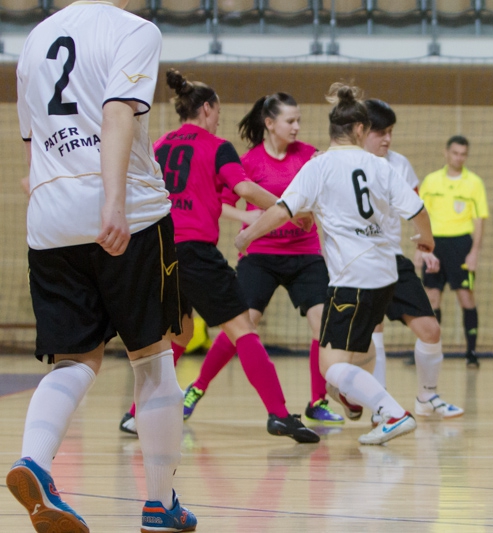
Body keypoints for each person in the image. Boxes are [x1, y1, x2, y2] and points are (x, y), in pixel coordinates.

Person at [8, 2, 197, 531]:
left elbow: (33, 145)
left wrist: (50, 205)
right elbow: (118, 111)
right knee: (153, 357)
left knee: (73, 360)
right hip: (126, 211)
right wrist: (111, 201)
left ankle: (35, 464)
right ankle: (161, 504)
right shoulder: (133, 28)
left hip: (48, 218)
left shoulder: (35, 38)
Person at [123, 69, 319, 444]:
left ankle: (135, 415)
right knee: (243, 330)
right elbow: (244, 186)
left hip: (158, 249)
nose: (219, 118)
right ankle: (279, 415)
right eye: (218, 112)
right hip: (196, 251)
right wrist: (289, 208)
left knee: (179, 333)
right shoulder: (216, 146)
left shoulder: (160, 143)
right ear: (208, 109)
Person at [234, 83, 435, 445]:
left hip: (351, 279)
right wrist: (427, 240)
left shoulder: (320, 166)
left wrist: (247, 236)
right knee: (363, 351)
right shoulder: (380, 166)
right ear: (359, 129)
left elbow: (282, 210)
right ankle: (369, 407)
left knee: (330, 368)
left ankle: (392, 413)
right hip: (385, 274)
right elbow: (418, 211)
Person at [180, 92, 344, 427]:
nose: (297, 126)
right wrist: (252, 218)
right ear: (270, 124)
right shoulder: (249, 162)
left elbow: (326, 196)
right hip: (260, 256)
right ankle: (197, 387)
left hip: (304, 254)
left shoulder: (310, 157)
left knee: (321, 321)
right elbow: (222, 204)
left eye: (298, 120)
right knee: (243, 322)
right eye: (290, 121)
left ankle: (317, 400)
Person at [362, 99, 464, 425]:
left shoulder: (399, 164)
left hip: (394, 261)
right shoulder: (345, 163)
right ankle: (381, 408)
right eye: (381, 132)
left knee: (430, 330)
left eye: (390, 132)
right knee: (373, 333)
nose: (387, 139)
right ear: (361, 131)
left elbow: (415, 209)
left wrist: (423, 248)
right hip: (362, 264)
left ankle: (427, 397)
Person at [419, 135, 489, 368]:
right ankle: (430, 350)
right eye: (455, 153)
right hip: (434, 245)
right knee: (431, 298)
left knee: (466, 297)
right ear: (446, 153)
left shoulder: (474, 183)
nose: (459, 157)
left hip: (461, 245)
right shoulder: (430, 181)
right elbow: (421, 215)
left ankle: (471, 352)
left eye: (463, 154)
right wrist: (421, 247)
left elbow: (479, 220)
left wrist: (474, 252)